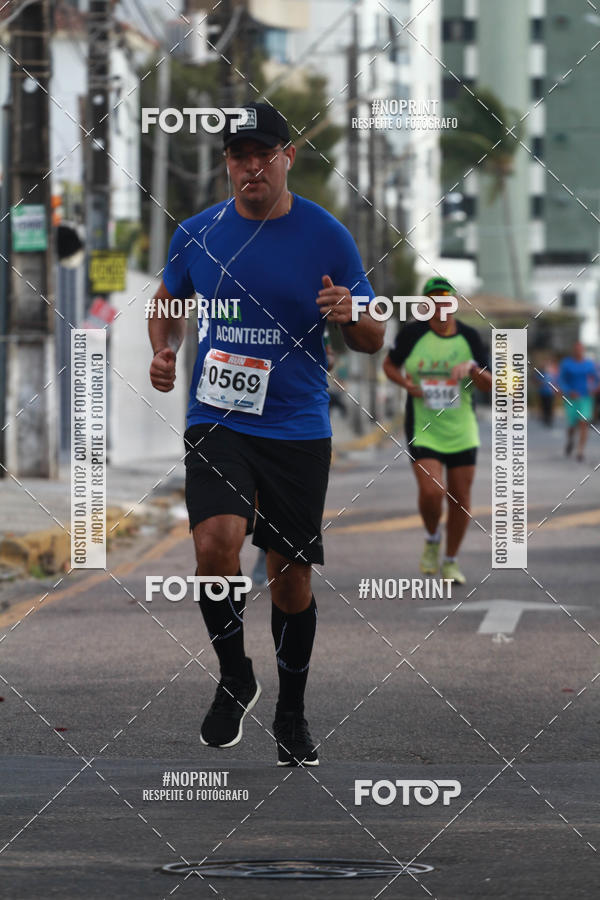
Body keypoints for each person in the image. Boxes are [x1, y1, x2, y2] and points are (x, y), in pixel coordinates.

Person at [148, 102, 383, 767]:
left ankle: (291, 711)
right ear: (227, 163)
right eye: (239, 156)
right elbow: (168, 301)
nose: (252, 166)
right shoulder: (197, 233)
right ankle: (235, 675)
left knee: (289, 577)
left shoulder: (327, 236)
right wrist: (165, 349)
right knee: (213, 543)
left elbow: (371, 337)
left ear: (288, 158)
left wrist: (350, 316)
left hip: (296, 427)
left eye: (264, 154)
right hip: (217, 417)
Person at [382, 276, 492, 585]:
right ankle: (432, 538)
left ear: (454, 304)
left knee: (460, 498)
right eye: (434, 302)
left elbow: (490, 384)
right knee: (432, 492)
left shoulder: (469, 337)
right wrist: (405, 384)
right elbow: (389, 365)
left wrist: (472, 369)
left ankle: (451, 560)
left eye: (446, 301)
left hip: (461, 428)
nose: (441, 307)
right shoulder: (412, 334)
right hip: (424, 425)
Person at [558, 341, 598, 462]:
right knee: (572, 424)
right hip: (571, 398)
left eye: (580, 349)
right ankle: (570, 440)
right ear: (573, 351)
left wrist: (594, 388)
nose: (578, 351)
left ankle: (580, 451)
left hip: (585, 398)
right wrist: (568, 390)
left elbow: (597, 378)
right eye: (576, 349)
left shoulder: (589, 364)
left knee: (583, 422)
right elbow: (561, 380)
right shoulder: (567, 364)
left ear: (583, 350)